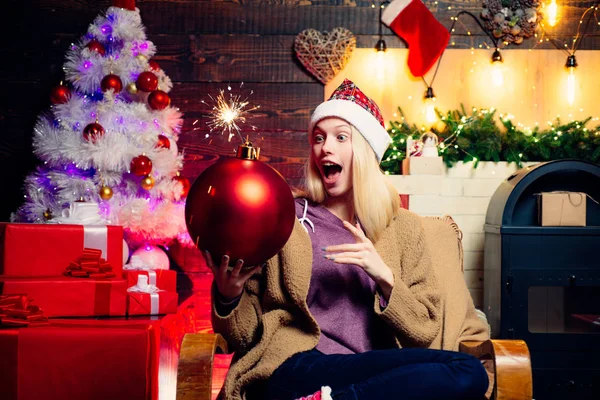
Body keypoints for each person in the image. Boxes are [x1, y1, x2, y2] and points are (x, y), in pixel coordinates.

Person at [205, 79, 489, 400]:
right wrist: (229, 296)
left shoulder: (404, 229)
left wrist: (384, 277)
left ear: (366, 152)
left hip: (368, 368)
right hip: (296, 365)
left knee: (469, 371)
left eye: (341, 137)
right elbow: (245, 338)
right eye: (319, 138)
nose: (326, 147)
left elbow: (423, 331)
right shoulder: (286, 217)